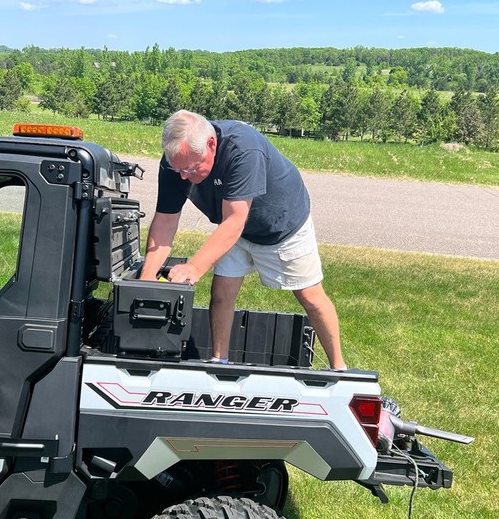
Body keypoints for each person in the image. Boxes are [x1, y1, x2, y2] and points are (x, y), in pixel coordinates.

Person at [139, 110, 346, 370]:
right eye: (178, 169)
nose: (183, 176)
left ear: (211, 145)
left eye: (191, 168)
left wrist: (193, 267)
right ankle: (219, 362)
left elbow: (235, 221)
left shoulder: (243, 149)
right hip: (232, 227)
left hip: (281, 223)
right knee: (222, 293)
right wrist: (147, 277)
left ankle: (339, 370)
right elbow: (166, 220)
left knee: (311, 296)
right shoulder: (177, 161)